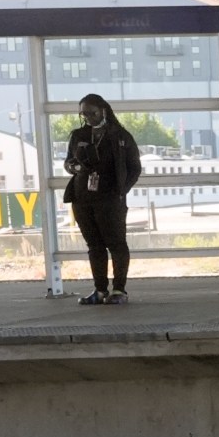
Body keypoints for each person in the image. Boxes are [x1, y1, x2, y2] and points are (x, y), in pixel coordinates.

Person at [62, 93, 142, 306]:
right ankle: (99, 290)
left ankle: (119, 289)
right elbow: (68, 162)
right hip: (82, 197)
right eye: (84, 114)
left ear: (104, 110)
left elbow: (135, 167)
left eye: (92, 113)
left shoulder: (119, 136)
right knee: (94, 245)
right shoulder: (78, 135)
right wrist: (74, 166)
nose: (88, 117)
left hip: (110, 198)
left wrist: (121, 190)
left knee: (116, 243)